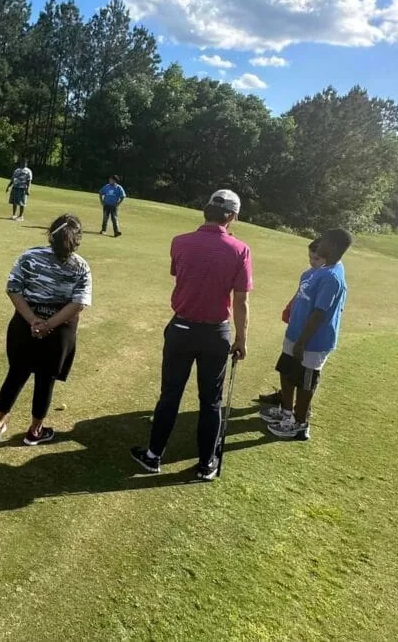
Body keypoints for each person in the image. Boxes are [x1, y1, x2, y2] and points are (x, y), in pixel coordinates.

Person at [131, 189, 252, 481]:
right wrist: (241, 339)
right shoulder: (240, 250)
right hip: (216, 334)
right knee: (210, 401)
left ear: (206, 210)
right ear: (232, 216)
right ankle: (206, 463)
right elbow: (241, 301)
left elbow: (180, 273)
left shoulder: (180, 241)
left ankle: (153, 456)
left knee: (170, 394)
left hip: (181, 329)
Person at [0, 214, 92, 447]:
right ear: (77, 239)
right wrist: (48, 325)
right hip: (59, 331)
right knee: (46, 380)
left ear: (50, 234)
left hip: (24, 325)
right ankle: (34, 432)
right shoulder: (81, 266)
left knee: (16, 374)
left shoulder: (29, 256)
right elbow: (78, 303)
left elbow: (13, 289)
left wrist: (33, 320)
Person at [261, 228, 352, 441]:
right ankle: (286, 412)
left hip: (313, 342)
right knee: (286, 371)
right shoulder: (319, 270)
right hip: (295, 333)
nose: (319, 244)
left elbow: (319, 314)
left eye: (325, 241)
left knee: (305, 382)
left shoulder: (332, 277)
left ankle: (300, 424)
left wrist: (302, 342)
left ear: (334, 246)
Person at [258, 239, 323, 406]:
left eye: (316, 259)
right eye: (310, 257)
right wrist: (290, 308)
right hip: (295, 329)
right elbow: (300, 294)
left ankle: (302, 412)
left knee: (305, 374)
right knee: (287, 367)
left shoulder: (327, 279)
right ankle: (285, 400)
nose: (312, 262)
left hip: (311, 336)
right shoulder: (307, 274)